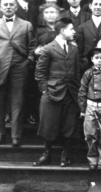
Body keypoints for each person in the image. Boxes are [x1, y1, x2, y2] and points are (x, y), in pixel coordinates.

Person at [0, 0, 36, 147]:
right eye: (5, 5)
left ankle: (16, 136)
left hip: (20, 69)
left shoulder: (26, 25)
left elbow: (32, 48)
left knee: (18, 102)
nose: (8, 7)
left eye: (11, 4)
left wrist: (28, 62)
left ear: (16, 7)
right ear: (0, 8)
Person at [33, 17, 81, 167]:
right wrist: (44, 91)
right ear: (62, 31)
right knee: (48, 124)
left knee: (69, 124)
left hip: (71, 93)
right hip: (52, 92)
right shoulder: (48, 49)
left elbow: (77, 71)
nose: (74, 32)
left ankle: (65, 154)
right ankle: (47, 154)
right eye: (71, 29)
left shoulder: (74, 49)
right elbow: (39, 72)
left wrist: (78, 90)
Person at [12, 0, 39, 124]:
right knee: (17, 90)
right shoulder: (12, 8)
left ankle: (30, 115)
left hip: (32, 55)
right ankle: (16, 118)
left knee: (31, 87)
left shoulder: (34, 10)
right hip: (18, 55)